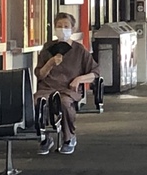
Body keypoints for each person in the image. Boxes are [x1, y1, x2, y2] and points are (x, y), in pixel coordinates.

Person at [34, 12, 99, 155]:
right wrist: (50, 63)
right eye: (59, 26)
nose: (62, 29)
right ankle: (45, 137)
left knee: (64, 103)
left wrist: (79, 79)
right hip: (48, 87)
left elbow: (95, 72)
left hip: (68, 89)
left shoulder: (79, 50)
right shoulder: (48, 48)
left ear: (73, 28)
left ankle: (69, 137)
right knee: (39, 101)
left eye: (66, 26)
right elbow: (39, 74)